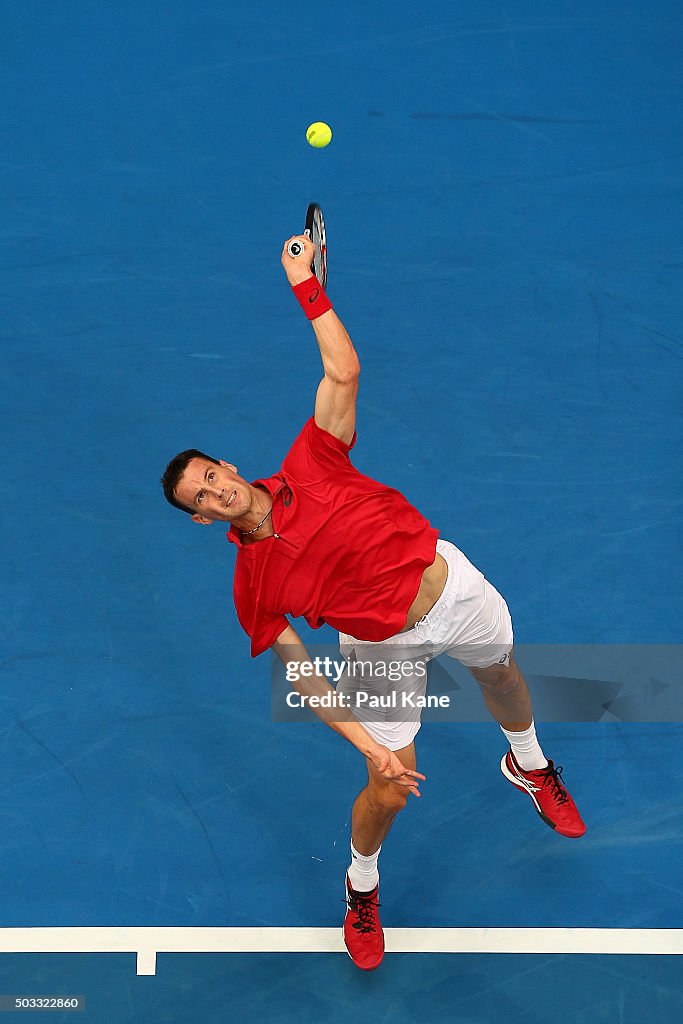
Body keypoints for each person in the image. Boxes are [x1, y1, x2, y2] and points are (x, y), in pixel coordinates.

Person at [161, 231, 586, 972]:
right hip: (381, 649)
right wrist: (369, 748)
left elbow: (343, 369)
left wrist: (306, 284)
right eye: (200, 496)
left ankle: (527, 764)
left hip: (450, 583)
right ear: (203, 519)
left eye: (209, 473)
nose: (214, 489)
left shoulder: (311, 458)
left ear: (226, 464)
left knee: (502, 676)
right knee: (386, 790)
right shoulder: (253, 585)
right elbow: (300, 674)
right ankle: (360, 887)